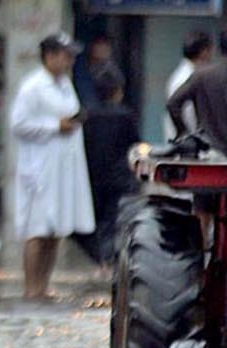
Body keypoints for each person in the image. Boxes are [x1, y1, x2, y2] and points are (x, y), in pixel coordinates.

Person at [11, 32, 94, 300]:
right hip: (39, 169)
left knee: (55, 230)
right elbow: (19, 124)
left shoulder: (65, 85)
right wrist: (54, 126)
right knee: (36, 230)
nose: (69, 61)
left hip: (62, 169)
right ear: (49, 56)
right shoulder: (32, 87)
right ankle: (30, 288)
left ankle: (43, 286)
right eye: (65, 55)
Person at [78, 64, 138, 266]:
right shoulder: (126, 116)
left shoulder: (88, 117)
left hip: (92, 178)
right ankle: (109, 259)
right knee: (113, 222)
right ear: (119, 90)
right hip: (120, 179)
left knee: (94, 222)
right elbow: (134, 146)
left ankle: (100, 260)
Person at [164, 31, 213, 140]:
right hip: (188, 142)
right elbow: (189, 114)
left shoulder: (180, 74)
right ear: (204, 52)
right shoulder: (189, 77)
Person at [72, 34, 112, 107]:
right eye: (100, 45)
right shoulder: (80, 66)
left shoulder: (111, 69)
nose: (103, 49)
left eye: (106, 46)